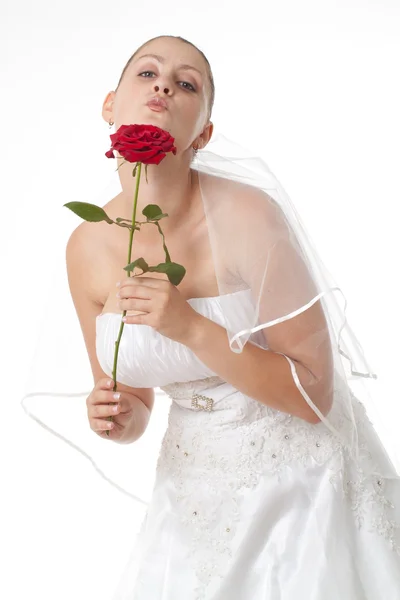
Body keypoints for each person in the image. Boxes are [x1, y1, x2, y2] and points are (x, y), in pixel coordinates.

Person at [26, 34, 400, 599]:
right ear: (110, 104)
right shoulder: (86, 247)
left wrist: (192, 328)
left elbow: (316, 394)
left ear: (202, 133)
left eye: (186, 84)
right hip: (193, 488)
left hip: (304, 477)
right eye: (147, 74)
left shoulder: (249, 215)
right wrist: (119, 416)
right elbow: (132, 393)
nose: (163, 87)